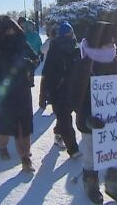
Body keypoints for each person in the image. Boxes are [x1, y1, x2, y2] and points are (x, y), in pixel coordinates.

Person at [70, 21, 117, 204]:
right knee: (91, 155)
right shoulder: (86, 64)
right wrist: (88, 118)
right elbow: (75, 96)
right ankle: (91, 185)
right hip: (90, 122)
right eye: (107, 43)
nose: (112, 46)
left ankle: (113, 185)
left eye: (113, 43)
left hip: (115, 120)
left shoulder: (116, 61)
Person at [0, 17, 39, 172]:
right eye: (7, 30)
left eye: (12, 30)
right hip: (4, 93)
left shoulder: (22, 44)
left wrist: (30, 65)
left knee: (24, 126)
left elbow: (35, 58)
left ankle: (25, 157)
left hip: (22, 90)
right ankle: (2, 146)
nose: (10, 33)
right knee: (4, 125)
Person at [39, 21, 80, 158]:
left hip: (73, 88)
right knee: (64, 118)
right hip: (58, 89)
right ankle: (73, 149)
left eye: (70, 32)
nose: (69, 35)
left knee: (65, 116)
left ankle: (58, 134)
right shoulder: (55, 48)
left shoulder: (76, 47)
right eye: (66, 33)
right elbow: (47, 72)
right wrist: (44, 95)